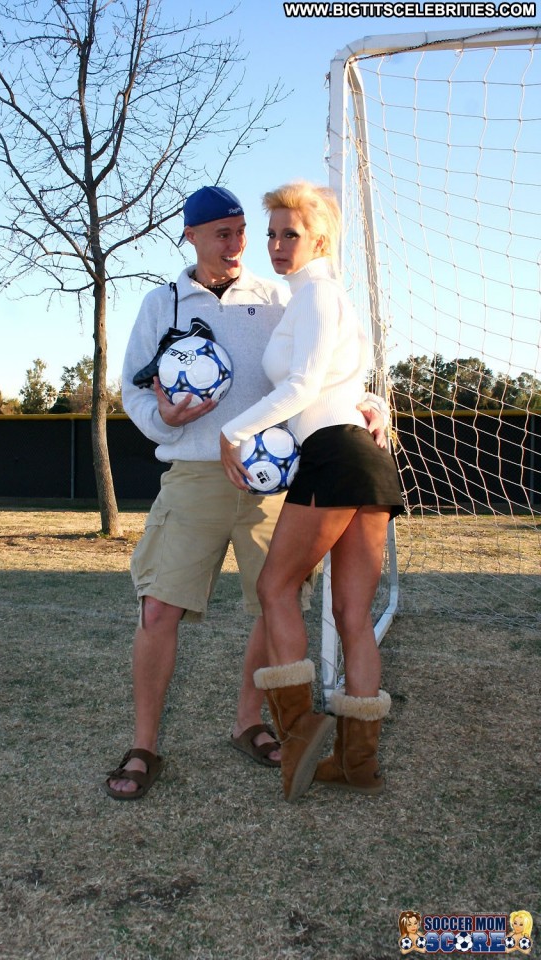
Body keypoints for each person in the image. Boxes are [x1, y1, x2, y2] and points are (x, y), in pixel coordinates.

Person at [104, 185, 387, 800]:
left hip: (274, 482)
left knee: (273, 604)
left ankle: (248, 723)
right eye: (223, 234)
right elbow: (132, 389)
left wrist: (369, 400)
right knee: (158, 608)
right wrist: (163, 421)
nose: (238, 245)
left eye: (242, 232)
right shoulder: (162, 304)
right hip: (196, 475)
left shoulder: (280, 295)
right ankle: (144, 746)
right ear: (192, 236)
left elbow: (323, 366)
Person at [220, 180, 404, 802]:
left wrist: (234, 431)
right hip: (364, 461)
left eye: (290, 234)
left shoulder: (320, 295)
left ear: (319, 239)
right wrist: (373, 402)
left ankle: (298, 734)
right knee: (352, 616)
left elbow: (302, 387)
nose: (276, 244)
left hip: (335, 456)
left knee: (275, 587)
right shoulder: (318, 298)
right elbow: (343, 381)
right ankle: (356, 765)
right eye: (271, 233)